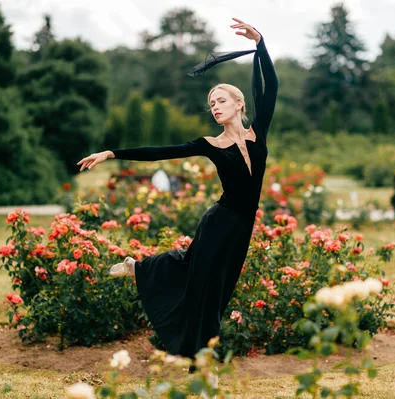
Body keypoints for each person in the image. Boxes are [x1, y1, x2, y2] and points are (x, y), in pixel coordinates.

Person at [77, 17, 278, 369]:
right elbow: (161, 151)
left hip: (242, 228)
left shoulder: (257, 134)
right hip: (220, 221)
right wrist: (113, 153)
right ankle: (204, 362)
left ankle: (138, 268)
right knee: (206, 289)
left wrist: (261, 44)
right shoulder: (211, 145)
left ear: (238, 104)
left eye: (220, 100)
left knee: (214, 287)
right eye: (211, 103)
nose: (215, 106)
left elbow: (270, 88)